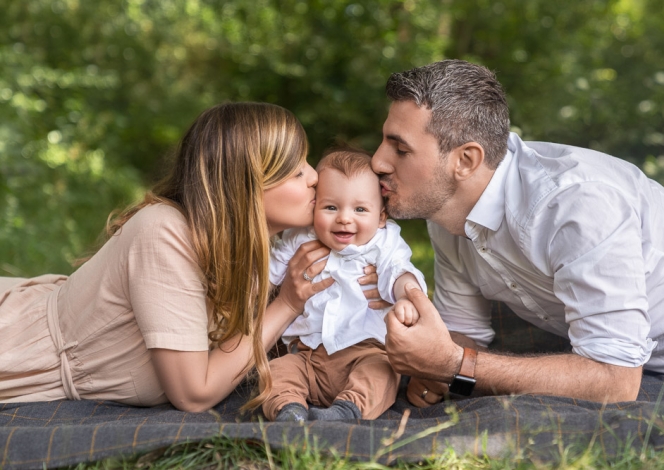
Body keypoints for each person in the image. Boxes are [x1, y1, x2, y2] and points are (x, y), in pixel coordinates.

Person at [0, 102, 387, 411]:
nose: (315, 177)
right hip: (14, 348)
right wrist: (286, 302)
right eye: (295, 172)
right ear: (247, 187)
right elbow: (194, 393)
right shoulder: (164, 233)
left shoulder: (251, 249)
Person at [371, 59, 664, 407]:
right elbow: (461, 334)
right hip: (643, 354)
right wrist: (430, 365)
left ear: (466, 161)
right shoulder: (447, 215)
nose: (377, 162)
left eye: (401, 149)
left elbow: (616, 381)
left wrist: (454, 365)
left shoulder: (574, 205)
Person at [261, 148, 427, 422]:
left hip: (365, 352)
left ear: (382, 217)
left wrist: (406, 296)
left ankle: (347, 412)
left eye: (360, 209)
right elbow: (266, 274)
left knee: (383, 372)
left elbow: (399, 271)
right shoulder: (300, 239)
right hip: (306, 354)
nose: (344, 218)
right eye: (331, 207)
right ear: (315, 207)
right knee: (277, 371)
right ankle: (288, 409)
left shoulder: (383, 243)